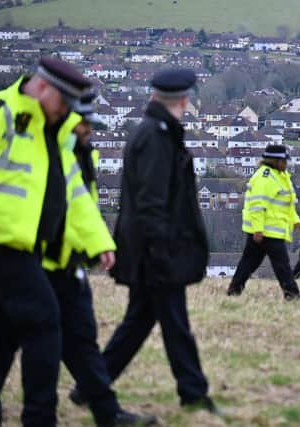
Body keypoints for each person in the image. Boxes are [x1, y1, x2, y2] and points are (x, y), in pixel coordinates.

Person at [70, 68, 218, 414]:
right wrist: (162, 251)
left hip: (149, 249)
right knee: (175, 324)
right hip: (155, 251)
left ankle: (91, 386)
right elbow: (151, 203)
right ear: (184, 100)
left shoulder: (155, 132)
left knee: (139, 322)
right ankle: (194, 394)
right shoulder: (155, 137)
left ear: (154, 97)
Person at [0, 57, 107, 427]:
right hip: (1, 248)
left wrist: (98, 241)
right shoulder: (0, 113)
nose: (67, 113)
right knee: (44, 321)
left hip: (26, 250)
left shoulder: (49, 130)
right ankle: (40, 418)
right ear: (42, 88)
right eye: (63, 103)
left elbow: (73, 190)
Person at [41, 100, 156, 426]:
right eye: (84, 124)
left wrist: (100, 245)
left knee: (81, 338)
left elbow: (81, 207)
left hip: (66, 262)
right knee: (14, 340)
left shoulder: (80, 156)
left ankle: (107, 411)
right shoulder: (50, 151)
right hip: (35, 262)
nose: (90, 130)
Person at [227, 144, 300, 300]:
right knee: (282, 264)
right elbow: (257, 205)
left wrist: (295, 220)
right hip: (267, 230)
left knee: (249, 263)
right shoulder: (265, 177)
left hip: (267, 229)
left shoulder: (280, 176)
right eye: (284, 161)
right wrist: (258, 229)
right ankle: (292, 294)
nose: (286, 164)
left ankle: (234, 291)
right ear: (274, 161)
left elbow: (286, 204)